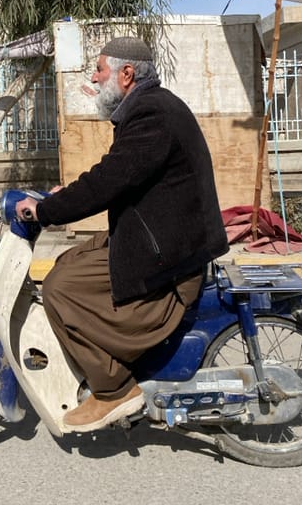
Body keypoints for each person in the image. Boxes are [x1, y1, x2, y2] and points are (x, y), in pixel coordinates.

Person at [15, 36, 228, 432]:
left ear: (126, 74)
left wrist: (45, 211)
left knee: (60, 287)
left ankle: (113, 389)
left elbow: (109, 182)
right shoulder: (151, 109)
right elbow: (117, 172)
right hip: (161, 239)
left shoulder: (150, 115)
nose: (94, 79)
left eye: (99, 70)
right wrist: (65, 195)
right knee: (68, 261)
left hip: (169, 257)